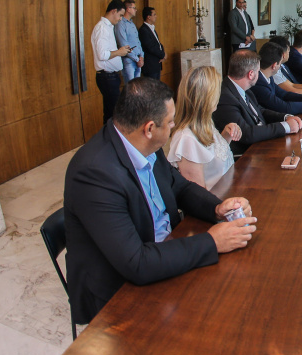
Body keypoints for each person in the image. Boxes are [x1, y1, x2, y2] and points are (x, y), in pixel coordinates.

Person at [64, 77, 257, 324]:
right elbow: (137, 263)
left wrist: (216, 208)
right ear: (149, 128)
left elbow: (180, 186)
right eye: (170, 122)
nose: (174, 126)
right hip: (119, 290)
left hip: (164, 250)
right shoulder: (94, 174)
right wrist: (212, 242)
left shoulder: (142, 142)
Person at [212, 50, 302, 155]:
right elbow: (246, 133)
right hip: (247, 157)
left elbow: (260, 111)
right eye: (258, 71)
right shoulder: (225, 97)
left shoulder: (244, 89)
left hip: (261, 146)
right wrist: (286, 127)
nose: (259, 74)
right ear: (251, 74)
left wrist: (285, 117)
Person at [168, 67, 241, 191]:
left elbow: (212, 160)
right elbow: (198, 196)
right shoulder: (186, 139)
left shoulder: (205, 122)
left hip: (232, 191)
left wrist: (226, 136)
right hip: (219, 204)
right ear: (207, 97)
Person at [251, 42, 302, 115]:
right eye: (280, 63)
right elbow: (284, 107)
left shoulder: (267, 76)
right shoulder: (258, 83)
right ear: (274, 66)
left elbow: (284, 94)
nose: (280, 66)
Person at [91, 0, 131, 123]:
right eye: (120, 15)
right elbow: (102, 54)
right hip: (107, 76)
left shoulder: (108, 27)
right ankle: (110, 140)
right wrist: (119, 52)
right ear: (114, 11)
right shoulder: (102, 28)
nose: (120, 19)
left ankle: (109, 140)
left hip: (111, 76)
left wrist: (121, 51)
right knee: (114, 114)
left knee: (111, 113)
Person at [114, 0, 144, 83]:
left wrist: (141, 56)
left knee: (137, 87)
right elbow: (123, 44)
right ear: (128, 9)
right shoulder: (121, 24)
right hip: (129, 60)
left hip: (138, 60)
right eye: (134, 8)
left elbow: (138, 42)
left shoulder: (132, 24)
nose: (136, 10)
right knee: (130, 88)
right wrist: (137, 59)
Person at [138, 6, 165, 81]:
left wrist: (163, 53)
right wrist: (162, 54)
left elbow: (158, 43)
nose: (156, 16)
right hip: (150, 65)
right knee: (151, 88)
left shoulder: (151, 28)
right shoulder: (143, 30)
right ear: (148, 17)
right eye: (154, 14)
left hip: (156, 64)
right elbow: (150, 47)